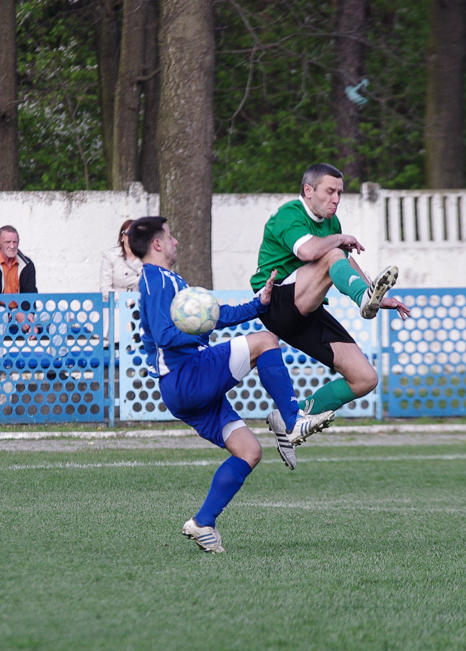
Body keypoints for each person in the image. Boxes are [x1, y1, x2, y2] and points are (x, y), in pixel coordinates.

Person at [128, 216, 334, 553]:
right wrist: (200, 331)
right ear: (157, 244)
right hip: (187, 374)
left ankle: (203, 522)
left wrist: (257, 304)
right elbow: (165, 335)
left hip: (184, 389)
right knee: (266, 341)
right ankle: (292, 419)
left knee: (249, 451)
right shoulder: (154, 278)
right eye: (171, 235)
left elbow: (213, 316)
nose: (176, 241)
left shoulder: (169, 279)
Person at [250, 162, 411, 421]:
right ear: (308, 190)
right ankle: (362, 299)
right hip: (275, 303)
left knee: (365, 378)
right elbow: (309, 251)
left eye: (339, 193)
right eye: (330, 191)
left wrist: (377, 298)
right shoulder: (289, 214)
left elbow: (344, 260)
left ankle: (291, 418)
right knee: (332, 252)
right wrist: (341, 239)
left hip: (305, 310)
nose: (336, 199)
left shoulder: (331, 223)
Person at [99, 219, 143, 299]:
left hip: (139, 301)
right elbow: (105, 289)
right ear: (122, 236)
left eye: (135, 234)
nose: (132, 237)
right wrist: (126, 299)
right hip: (115, 302)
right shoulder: (111, 256)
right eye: (128, 233)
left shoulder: (146, 257)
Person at [0, 225, 37, 293]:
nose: (12, 246)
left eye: (15, 242)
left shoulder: (27, 265)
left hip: (20, 300)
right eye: (7, 242)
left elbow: (30, 294)